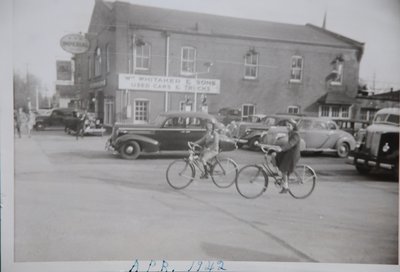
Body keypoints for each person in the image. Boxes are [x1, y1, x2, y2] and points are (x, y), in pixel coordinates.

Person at [274, 119, 301, 193]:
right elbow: (287, 141)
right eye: (287, 125)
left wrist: (282, 149)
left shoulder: (296, 134)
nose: (287, 127)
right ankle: (282, 176)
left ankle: (286, 187)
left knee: (284, 168)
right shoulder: (291, 133)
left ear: (293, 126)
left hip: (293, 155)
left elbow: (291, 144)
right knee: (276, 156)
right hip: (288, 152)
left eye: (289, 125)